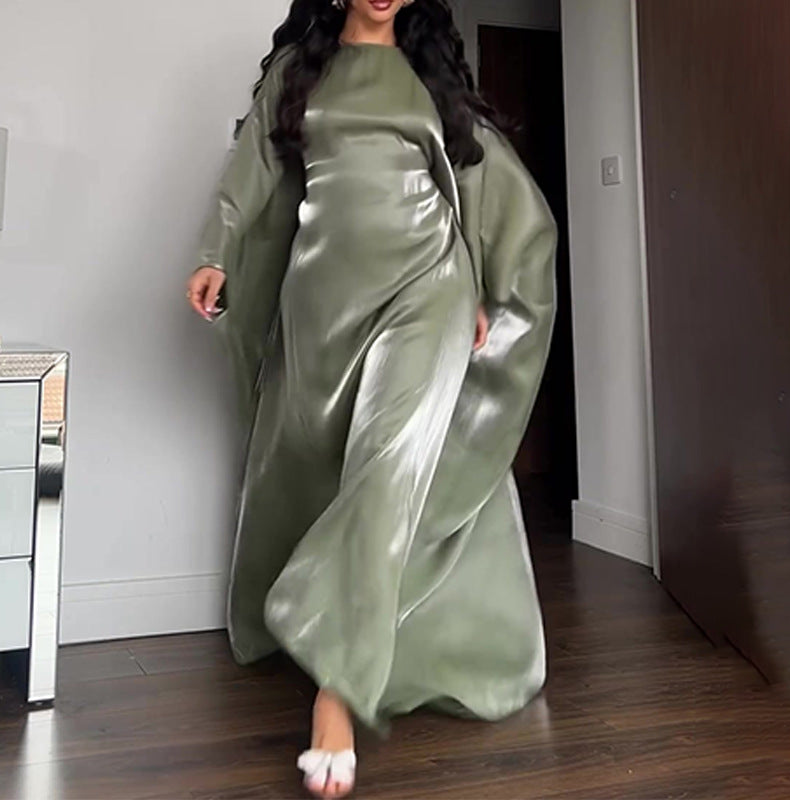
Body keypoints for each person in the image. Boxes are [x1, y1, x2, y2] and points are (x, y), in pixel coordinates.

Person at [185, 0, 557, 796]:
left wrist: (481, 284)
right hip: (323, 300)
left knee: (389, 467)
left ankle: (338, 693)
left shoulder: (431, 73)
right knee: (341, 470)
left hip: (428, 289)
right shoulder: (301, 70)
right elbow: (251, 167)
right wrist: (216, 252)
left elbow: (476, 184)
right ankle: (341, 631)